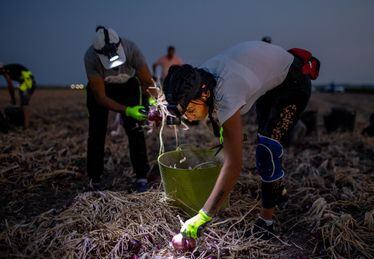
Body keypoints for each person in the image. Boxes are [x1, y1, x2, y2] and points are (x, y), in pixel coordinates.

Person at [163, 41, 320, 240]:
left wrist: (203, 216)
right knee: (261, 135)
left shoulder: (225, 94)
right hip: (270, 83)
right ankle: (278, 190)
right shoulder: (199, 79)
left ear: (204, 94)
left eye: (191, 110)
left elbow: (235, 165)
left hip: (294, 83)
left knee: (267, 149)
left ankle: (266, 223)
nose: (189, 118)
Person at [84, 26, 155, 192]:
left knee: (136, 128)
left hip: (128, 86)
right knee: (96, 131)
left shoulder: (131, 48)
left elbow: (147, 80)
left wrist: (151, 102)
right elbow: (101, 98)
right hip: (103, 88)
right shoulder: (90, 57)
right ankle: (95, 177)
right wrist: (127, 110)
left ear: (120, 45)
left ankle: (141, 176)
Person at [0, 63, 36, 128]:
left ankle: (26, 126)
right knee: (23, 103)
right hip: (25, 82)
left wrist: (13, 98)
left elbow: (10, 85)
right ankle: (23, 123)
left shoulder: (5, 70)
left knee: (25, 103)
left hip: (28, 82)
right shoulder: (7, 69)